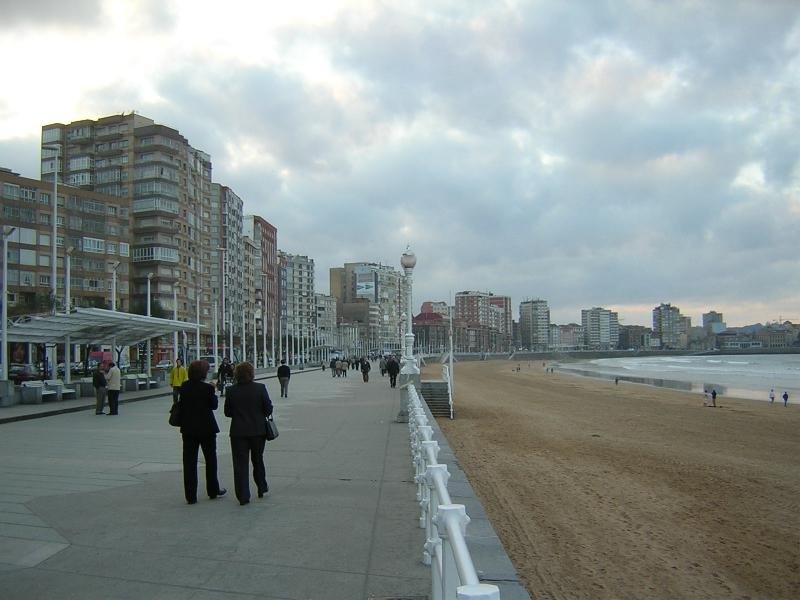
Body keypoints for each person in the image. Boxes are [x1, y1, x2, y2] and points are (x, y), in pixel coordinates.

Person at [224, 362, 272, 506]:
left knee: (240, 464)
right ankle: (262, 487)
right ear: (251, 373)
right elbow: (268, 409)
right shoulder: (260, 388)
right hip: (258, 431)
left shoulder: (231, 390)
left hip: (238, 432)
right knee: (258, 460)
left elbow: (227, 412)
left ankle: (243, 495)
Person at [178, 360, 226, 504]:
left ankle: (191, 495)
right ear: (203, 373)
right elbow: (214, 406)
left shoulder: (184, 387)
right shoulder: (207, 388)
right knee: (211, 460)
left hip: (189, 429)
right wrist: (213, 389)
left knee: (189, 462)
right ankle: (213, 489)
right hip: (207, 429)